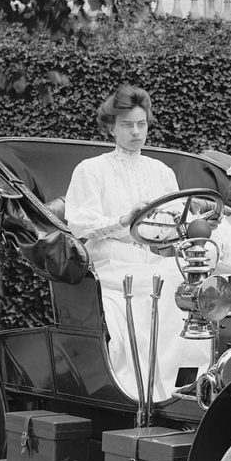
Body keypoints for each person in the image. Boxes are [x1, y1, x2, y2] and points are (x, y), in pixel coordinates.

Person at [64, 85, 210, 401]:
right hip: (110, 261)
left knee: (190, 285)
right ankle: (142, 392)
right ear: (111, 127)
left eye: (141, 124)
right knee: (154, 288)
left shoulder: (162, 171)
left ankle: (185, 384)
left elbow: (174, 225)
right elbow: (79, 225)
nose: (135, 132)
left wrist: (191, 215)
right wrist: (122, 221)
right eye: (127, 125)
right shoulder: (91, 170)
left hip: (155, 259)